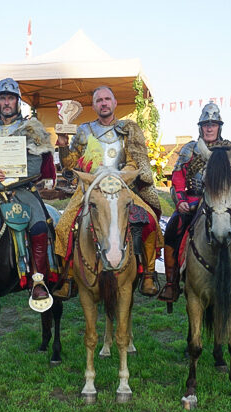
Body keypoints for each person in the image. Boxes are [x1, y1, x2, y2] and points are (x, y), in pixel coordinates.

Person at [158, 102, 231, 303]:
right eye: (206, 124)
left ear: (219, 127)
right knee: (173, 227)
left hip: (230, 201)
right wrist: (180, 201)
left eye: (213, 124)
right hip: (196, 200)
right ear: (200, 127)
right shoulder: (190, 149)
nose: (209, 128)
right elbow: (178, 176)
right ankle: (171, 282)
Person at [53, 86, 163, 298]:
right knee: (64, 226)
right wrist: (64, 146)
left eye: (107, 99)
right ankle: (67, 278)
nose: (103, 103)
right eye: (98, 100)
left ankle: (148, 274)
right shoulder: (84, 130)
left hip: (120, 187)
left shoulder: (126, 130)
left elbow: (133, 162)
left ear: (114, 103)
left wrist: (120, 176)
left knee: (149, 219)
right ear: (93, 106)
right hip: (89, 189)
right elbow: (70, 164)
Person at [0, 77, 57, 306]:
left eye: (10, 98)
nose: (6, 102)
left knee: (39, 224)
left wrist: (3, 182)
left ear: (18, 102)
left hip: (23, 190)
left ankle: (38, 279)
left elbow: (36, 167)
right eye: (2, 98)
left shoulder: (32, 129)